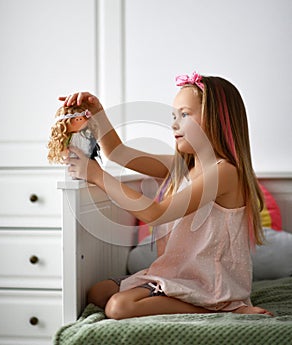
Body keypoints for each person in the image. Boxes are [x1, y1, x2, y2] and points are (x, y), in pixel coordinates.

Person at [60, 71, 273, 319]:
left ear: (216, 120)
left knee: (118, 307)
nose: (174, 124)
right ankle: (183, 296)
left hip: (211, 284)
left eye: (184, 115)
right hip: (179, 274)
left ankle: (224, 306)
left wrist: (97, 176)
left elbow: (156, 214)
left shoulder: (224, 173)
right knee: (98, 292)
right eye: (173, 116)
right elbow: (118, 153)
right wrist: (97, 112)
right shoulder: (183, 167)